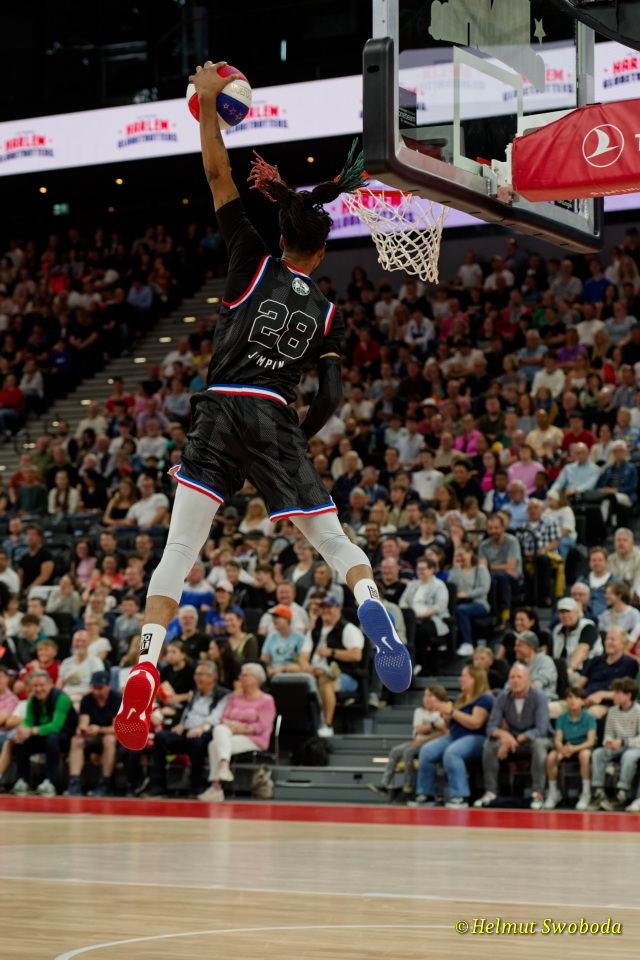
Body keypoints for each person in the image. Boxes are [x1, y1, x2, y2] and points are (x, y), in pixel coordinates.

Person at [115, 61, 410, 752]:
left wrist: (208, 105)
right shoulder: (329, 314)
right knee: (333, 543)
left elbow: (219, 177)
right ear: (322, 249)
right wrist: (294, 438)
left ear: (283, 235)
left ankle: (147, 660)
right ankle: (372, 607)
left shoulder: (252, 258)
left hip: (220, 409)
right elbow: (331, 395)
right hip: (275, 414)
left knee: (179, 551)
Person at [411, 665, 494, 808]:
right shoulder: (460, 698)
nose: (460, 679)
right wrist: (447, 717)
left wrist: (452, 712)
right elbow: (449, 726)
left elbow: (476, 723)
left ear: (474, 679)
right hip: (455, 735)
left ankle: (459, 795)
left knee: (452, 752)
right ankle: (426, 793)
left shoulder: (484, 698)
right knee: (427, 751)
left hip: (476, 737)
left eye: (464, 676)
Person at [474, 663, 551, 810]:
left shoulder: (539, 697)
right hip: (511, 739)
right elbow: (491, 727)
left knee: (539, 746)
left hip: (536, 739)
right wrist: (504, 735)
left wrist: (513, 740)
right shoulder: (503, 696)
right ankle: (490, 792)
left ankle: (538, 793)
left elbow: (541, 729)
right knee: (489, 744)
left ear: (528, 680)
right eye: (512, 677)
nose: (515, 680)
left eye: (519, 677)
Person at [148, 660, 230, 797]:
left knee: (197, 741)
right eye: (196, 674)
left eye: (201, 674)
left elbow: (216, 717)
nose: (196, 678)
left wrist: (200, 728)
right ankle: (158, 785)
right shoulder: (196, 693)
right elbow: (188, 712)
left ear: (212, 677)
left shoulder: (223, 694)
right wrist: (181, 724)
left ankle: (196, 786)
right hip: (187, 730)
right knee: (161, 737)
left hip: (205, 732)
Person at [198, 662, 276, 802]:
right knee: (219, 729)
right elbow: (223, 718)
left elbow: (262, 726)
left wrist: (241, 727)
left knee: (214, 745)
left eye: (245, 675)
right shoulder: (235, 698)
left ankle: (216, 787)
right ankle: (224, 767)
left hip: (255, 739)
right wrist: (233, 726)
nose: (241, 678)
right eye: (241, 675)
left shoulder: (266, 700)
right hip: (230, 734)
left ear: (256, 679)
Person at [299, 595, 366, 738]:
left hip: (344, 674)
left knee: (325, 679)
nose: (325, 611)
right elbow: (303, 656)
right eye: (323, 608)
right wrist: (307, 668)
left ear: (338, 609)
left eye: (329, 607)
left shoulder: (348, 629)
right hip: (314, 672)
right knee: (291, 675)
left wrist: (332, 652)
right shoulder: (315, 630)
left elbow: (356, 655)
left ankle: (327, 724)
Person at [367, 685, 448, 797]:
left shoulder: (442, 711)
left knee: (408, 752)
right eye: (425, 696)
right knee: (395, 751)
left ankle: (408, 786)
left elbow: (444, 732)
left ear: (439, 697)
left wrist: (426, 733)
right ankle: (385, 784)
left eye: (430, 696)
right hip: (417, 741)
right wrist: (433, 725)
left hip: (432, 743)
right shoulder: (419, 711)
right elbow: (418, 729)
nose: (426, 699)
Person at [10, 670, 77, 796]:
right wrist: (22, 732)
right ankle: (23, 780)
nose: (38, 689)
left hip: (65, 736)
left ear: (50, 684)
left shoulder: (61, 698)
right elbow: (28, 722)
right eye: (35, 686)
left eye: (42, 685)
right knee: (21, 740)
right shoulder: (32, 700)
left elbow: (56, 726)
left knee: (52, 738)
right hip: (42, 735)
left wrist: (32, 731)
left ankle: (49, 782)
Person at [66, 670, 121, 797]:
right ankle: (74, 781)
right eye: (94, 688)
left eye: (99, 688)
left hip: (111, 736)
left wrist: (99, 729)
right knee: (76, 740)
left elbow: (117, 728)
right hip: (93, 736)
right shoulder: (87, 699)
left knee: (109, 739)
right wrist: (83, 729)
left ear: (108, 686)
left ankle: (105, 782)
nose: (96, 692)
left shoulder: (117, 699)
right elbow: (83, 721)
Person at [588, 678, 640, 812]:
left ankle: (622, 794)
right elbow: (608, 734)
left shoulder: (638, 711)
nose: (613, 695)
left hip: (634, 747)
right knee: (598, 753)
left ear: (628, 695)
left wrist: (623, 742)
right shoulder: (612, 711)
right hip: (616, 746)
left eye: (617, 693)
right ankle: (599, 793)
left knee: (629, 756)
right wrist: (609, 742)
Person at [544, 687, 596, 811]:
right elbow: (557, 739)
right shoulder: (561, 717)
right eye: (569, 697)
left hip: (582, 746)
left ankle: (586, 793)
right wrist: (562, 749)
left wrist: (574, 749)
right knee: (551, 757)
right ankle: (553, 793)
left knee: (584, 756)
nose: (572, 700)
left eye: (577, 697)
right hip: (566, 747)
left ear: (583, 701)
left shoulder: (589, 717)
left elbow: (590, 741)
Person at [447, 544, 491, 657]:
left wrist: (466, 594)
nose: (460, 558)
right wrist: (456, 568)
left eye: (462, 555)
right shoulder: (454, 571)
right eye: (457, 555)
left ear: (470, 553)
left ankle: (467, 643)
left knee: (461, 610)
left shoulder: (480, 569)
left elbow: (484, 588)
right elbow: (451, 586)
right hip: (460, 603)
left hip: (479, 603)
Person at [477, 512, 522, 619]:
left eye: (496, 528)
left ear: (503, 528)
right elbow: (482, 568)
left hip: (513, 580)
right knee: (493, 577)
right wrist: (501, 567)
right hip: (491, 577)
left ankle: (505, 612)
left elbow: (511, 567)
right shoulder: (483, 545)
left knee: (499, 576)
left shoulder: (512, 541)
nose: (493, 531)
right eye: (490, 528)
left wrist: (490, 567)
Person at [260, 606, 306, 677]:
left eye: (277, 617)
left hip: (293, 674)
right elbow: (264, 660)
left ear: (287, 619)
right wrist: (268, 669)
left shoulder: (300, 638)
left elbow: (303, 664)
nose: (274, 620)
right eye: (273, 617)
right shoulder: (271, 637)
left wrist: (283, 668)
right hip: (274, 673)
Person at [514, 632, 558, 700]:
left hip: (544, 700)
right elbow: (508, 686)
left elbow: (536, 686)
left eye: (519, 645)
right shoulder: (517, 664)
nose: (515, 649)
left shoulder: (545, 662)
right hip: (520, 700)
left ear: (531, 647)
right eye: (516, 645)